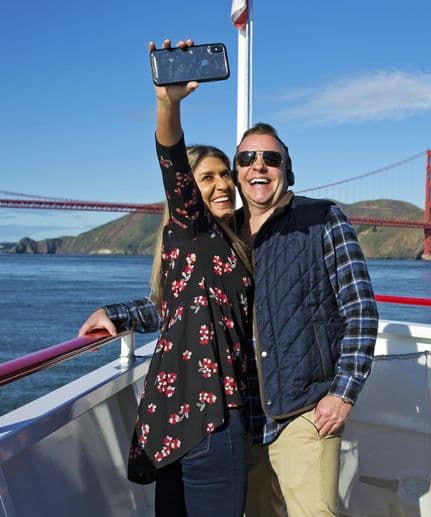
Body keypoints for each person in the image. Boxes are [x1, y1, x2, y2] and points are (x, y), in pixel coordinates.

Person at [79, 39, 378, 517]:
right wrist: (118, 313)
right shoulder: (223, 237)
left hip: (302, 409)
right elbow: (182, 302)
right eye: (244, 162)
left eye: (270, 158)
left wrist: (342, 393)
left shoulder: (322, 218)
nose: (255, 168)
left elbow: (360, 309)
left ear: (287, 168)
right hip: (242, 415)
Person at [82, 39, 255, 516]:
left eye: (226, 176)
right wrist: (167, 102)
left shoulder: (233, 243)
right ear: (187, 194)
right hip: (210, 416)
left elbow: (173, 305)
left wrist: (122, 312)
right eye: (208, 178)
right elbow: (171, 158)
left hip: (179, 415)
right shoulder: (191, 228)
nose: (222, 184)